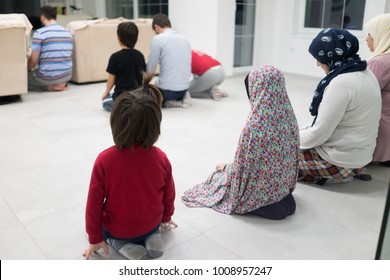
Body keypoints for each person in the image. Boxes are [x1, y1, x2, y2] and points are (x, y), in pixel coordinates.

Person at [182, 65, 299, 220]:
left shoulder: (256, 126)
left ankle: (267, 205)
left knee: (218, 178)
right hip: (283, 190)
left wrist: (226, 168)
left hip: (262, 195)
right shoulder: (289, 115)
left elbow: (243, 170)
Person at [83, 73, 177, 260]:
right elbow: (169, 193)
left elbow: (93, 205)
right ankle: (152, 237)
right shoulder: (161, 158)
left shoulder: (104, 160)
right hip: (152, 223)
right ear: (155, 126)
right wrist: (166, 217)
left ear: (115, 124)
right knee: (150, 225)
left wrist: (95, 237)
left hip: (120, 229)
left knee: (108, 229)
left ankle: (122, 244)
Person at [298, 28, 381, 185]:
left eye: (319, 58)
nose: (317, 64)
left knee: (275, 154)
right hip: (362, 157)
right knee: (300, 135)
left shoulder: (341, 83)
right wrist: (300, 131)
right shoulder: (365, 72)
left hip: (339, 162)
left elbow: (318, 134)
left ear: (332, 55)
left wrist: (287, 138)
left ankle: (327, 176)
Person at [146, 14, 192, 108]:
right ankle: (181, 98)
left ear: (156, 27)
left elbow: (151, 67)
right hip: (184, 89)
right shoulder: (185, 39)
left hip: (168, 92)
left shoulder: (158, 39)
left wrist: (145, 85)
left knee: (143, 99)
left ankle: (168, 102)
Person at [101, 21, 146, 112]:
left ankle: (123, 108)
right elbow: (143, 77)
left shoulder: (115, 57)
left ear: (119, 38)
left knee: (105, 102)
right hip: (138, 96)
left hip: (121, 97)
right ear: (136, 38)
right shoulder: (140, 55)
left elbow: (111, 80)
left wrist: (106, 92)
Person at [364, 14, 390, 167]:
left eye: (370, 34)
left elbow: (364, 94)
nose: (366, 39)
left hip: (381, 130)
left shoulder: (381, 62)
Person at [27, 5, 73, 91]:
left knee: (21, 80)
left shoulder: (40, 33)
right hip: (67, 76)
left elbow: (33, 61)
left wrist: (27, 69)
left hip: (47, 78)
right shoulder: (68, 33)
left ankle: (49, 87)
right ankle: (61, 83)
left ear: (43, 17)